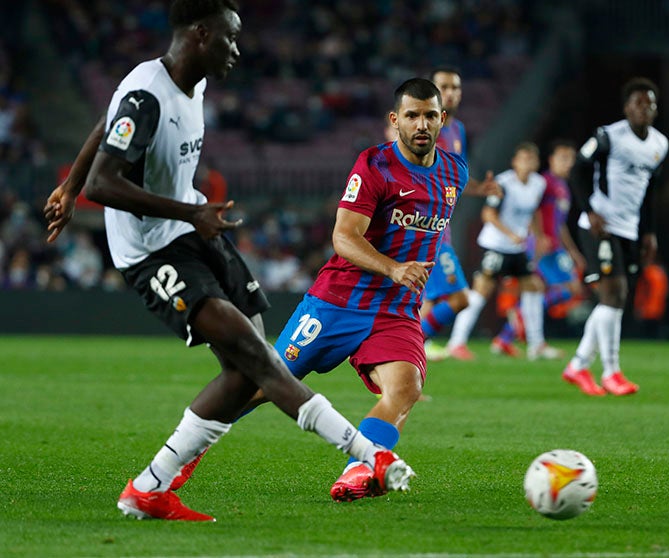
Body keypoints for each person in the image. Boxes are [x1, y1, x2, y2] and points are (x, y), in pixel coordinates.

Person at [42, 0, 414, 521]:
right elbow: (106, 183)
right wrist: (85, 185)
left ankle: (150, 489)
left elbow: (109, 118)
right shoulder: (148, 94)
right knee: (257, 357)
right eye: (229, 38)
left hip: (193, 228)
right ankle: (366, 454)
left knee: (249, 369)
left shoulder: (188, 82)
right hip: (152, 251)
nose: (237, 49)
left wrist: (69, 181)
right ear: (199, 35)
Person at [265, 77, 467, 501]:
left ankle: (359, 469)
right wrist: (394, 268)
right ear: (395, 121)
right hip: (338, 299)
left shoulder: (455, 173)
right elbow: (343, 237)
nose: (422, 124)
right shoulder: (373, 166)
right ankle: (177, 460)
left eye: (431, 115)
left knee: (406, 388)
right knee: (261, 385)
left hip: (396, 310)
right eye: (412, 116)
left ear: (443, 119)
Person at [562, 77, 669, 396]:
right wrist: (590, 211)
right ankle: (611, 372)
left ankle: (579, 365)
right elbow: (577, 170)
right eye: (638, 103)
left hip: (629, 229)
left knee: (615, 299)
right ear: (626, 108)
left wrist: (649, 231)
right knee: (615, 294)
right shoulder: (608, 136)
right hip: (599, 226)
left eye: (650, 103)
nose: (644, 108)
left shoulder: (659, 145)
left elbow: (649, 191)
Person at [445, 142, 563, 360]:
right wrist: (510, 234)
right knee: (481, 291)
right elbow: (488, 214)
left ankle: (536, 344)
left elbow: (534, 211)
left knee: (534, 287)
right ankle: (456, 342)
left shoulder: (538, 184)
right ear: (514, 162)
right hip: (496, 245)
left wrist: (538, 235)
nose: (527, 163)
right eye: (523, 158)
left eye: (531, 159)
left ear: (536, 163)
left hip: (517, 247)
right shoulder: (503, 183)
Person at [419, 66, 497, 361]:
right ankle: (406, 345)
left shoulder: (457, 129)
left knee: (427, 299)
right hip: (422, 225)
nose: (450, 93)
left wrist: (479, 188)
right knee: (459, 297)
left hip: (442, 223)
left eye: (456, 87)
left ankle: (410, 353)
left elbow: (456, 175)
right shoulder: (421, 126)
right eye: (444, 86)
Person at [490, 140, 584, 356]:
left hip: (555, 246)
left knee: (563, 289)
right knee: (565, 288)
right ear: (550, 160)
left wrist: (572, 251)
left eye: (571, 159)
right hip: (543, 247)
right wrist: (538, 237)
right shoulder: (546, 183)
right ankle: (522, 329)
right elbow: (533, 211)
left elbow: (559, 224)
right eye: (563, 158)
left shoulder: (562, 187)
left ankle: (508, 334)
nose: (568, 163)